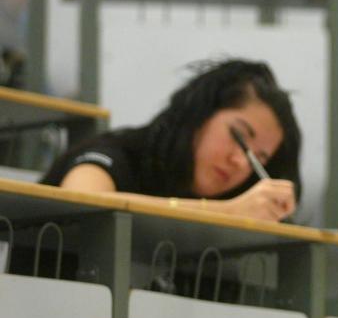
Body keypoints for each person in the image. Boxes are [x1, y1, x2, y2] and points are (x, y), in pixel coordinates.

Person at [40, 58, 300, 222]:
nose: (241, 163)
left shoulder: (237, 197)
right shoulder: (118, 153)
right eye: (238, 136)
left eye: (260, 158)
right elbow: (80, 204)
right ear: (200, 114)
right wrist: (231, 213)